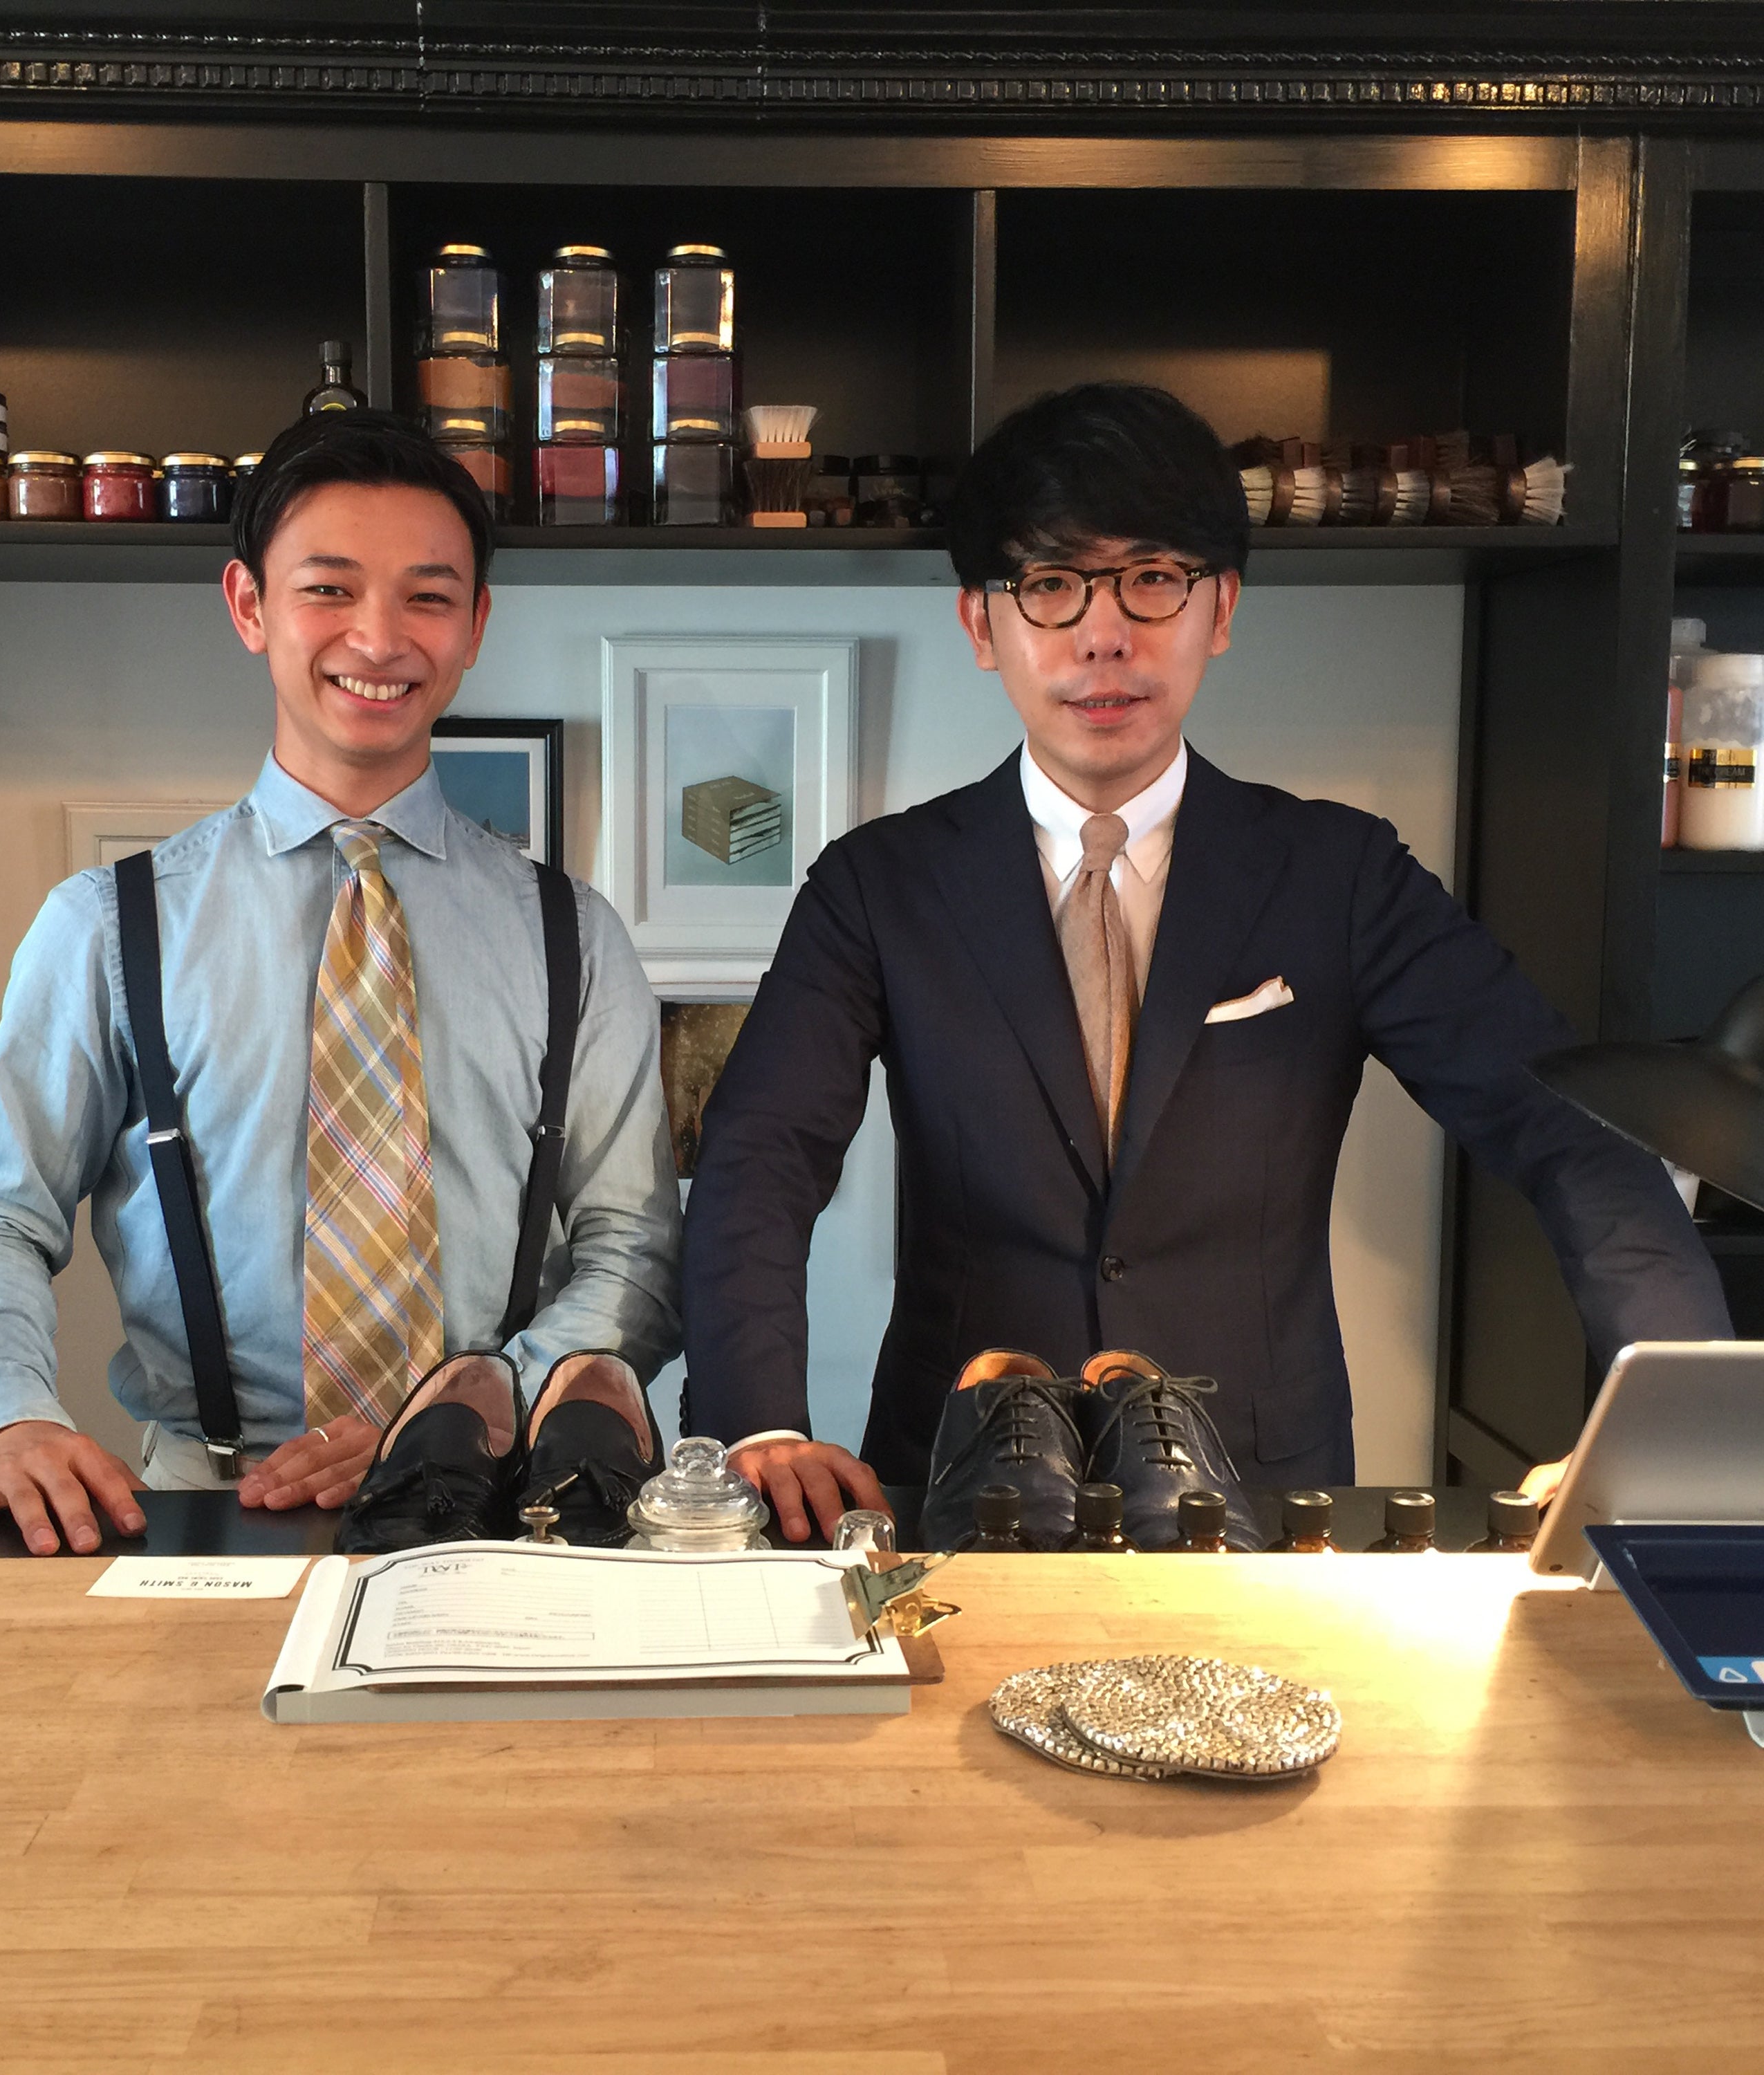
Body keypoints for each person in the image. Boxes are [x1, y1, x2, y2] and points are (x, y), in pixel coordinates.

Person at [681, 382, 1731, 1542]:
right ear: (984, 625)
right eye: (1050, 585)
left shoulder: (1339, 874)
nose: (1103, 633)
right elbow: (761, 1158)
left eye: (1153, 578)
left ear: (1220, 608)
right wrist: (754, 1426)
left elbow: (1565, 1128)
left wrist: (1682, 1424)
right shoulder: (878, 885)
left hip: (1261, 1493)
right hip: (957, 1482)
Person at [0, 412, 680, 1555]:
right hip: (206, 1511)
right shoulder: (106, 928)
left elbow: (635, 1252)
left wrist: (452, 1417)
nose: (378, 638)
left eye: (427, 597)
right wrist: (5, 1415)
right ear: (249, 607)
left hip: (499, 1507)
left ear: (475, 627)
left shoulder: (577, 934)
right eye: (330, 589)